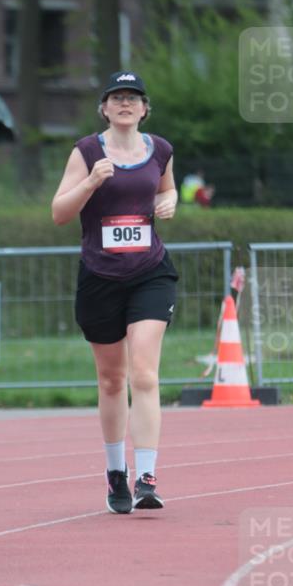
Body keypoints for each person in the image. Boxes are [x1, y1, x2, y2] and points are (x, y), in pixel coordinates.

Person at [52, 71, 178, 513]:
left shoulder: (159, 149)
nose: (125, 103)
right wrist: (90, 183)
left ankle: (147, 477)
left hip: (149, 272)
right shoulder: (87, 152)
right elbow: (59, 213)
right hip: (100, 277)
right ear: (104, 108)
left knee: (144, 373)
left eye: (134, 97)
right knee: (111, 379)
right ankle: (115, 474)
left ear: (144, 109)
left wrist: (171, 200)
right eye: (117, 97)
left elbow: (166, 187)